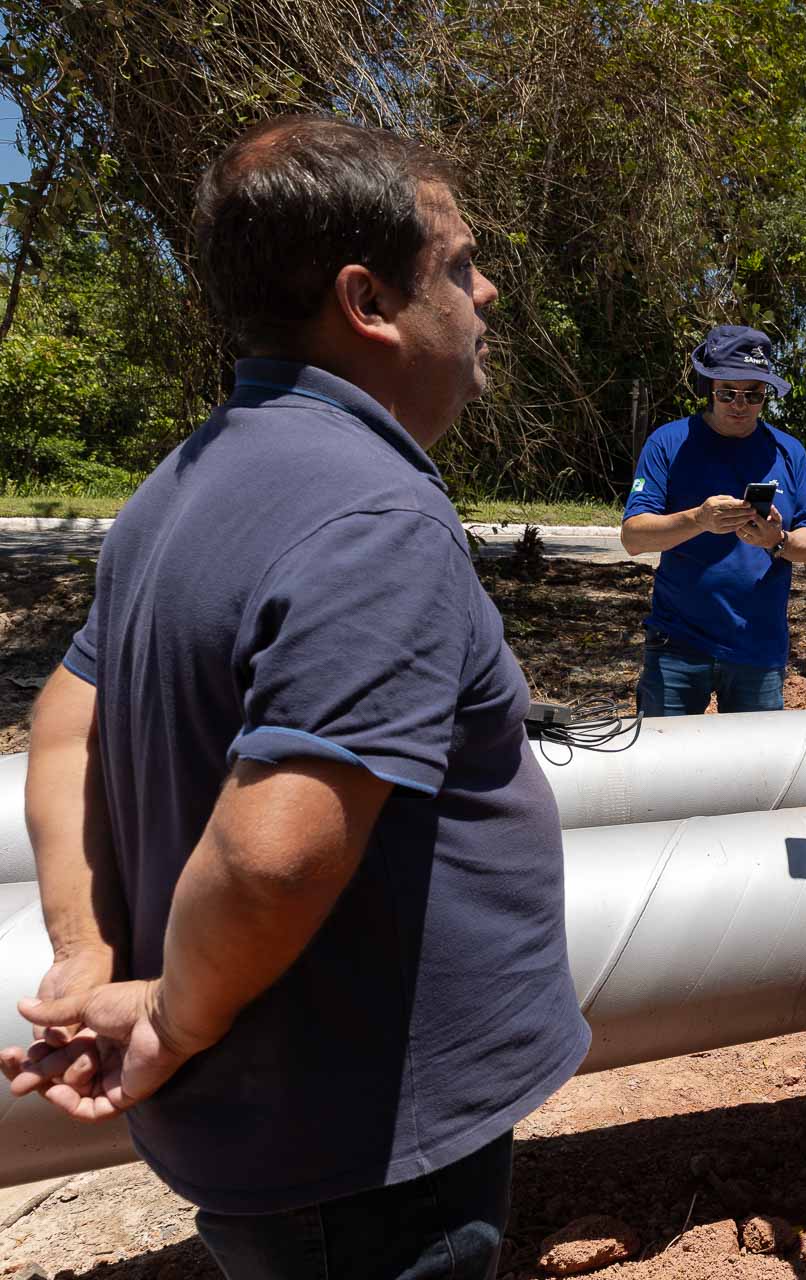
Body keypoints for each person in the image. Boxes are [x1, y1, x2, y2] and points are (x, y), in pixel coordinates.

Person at [0, 117, 588, 1279]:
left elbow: (68, 718)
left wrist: (84, 946)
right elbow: (275, 853)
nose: (490, 292)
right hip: (368, 1161)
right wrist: (172, 1014)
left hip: (287, 1141)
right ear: (368, 300)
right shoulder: (376, 518)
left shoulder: (182, 480)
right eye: (461, 265)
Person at [620, 325, 806, 715]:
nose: (740, 404)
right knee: (665, 767)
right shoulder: (669, 442)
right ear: (709, 388)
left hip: (758, 647)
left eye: (754, 394)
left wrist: (776, 540)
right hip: (677, 645)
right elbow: (634, 537)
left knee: (757, 772)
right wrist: (699, 519)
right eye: (727, 392)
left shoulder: (788, 451)